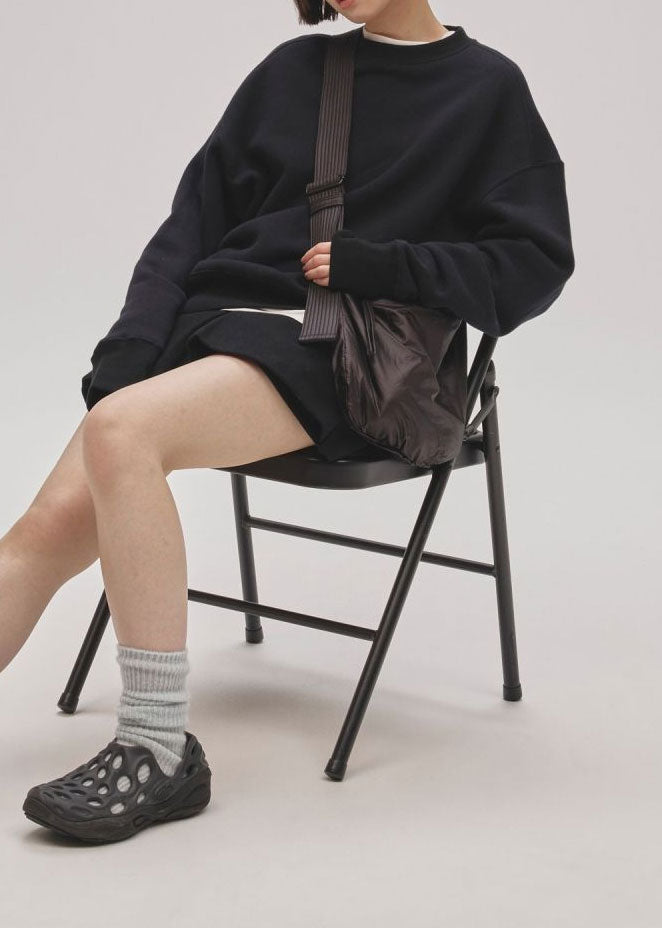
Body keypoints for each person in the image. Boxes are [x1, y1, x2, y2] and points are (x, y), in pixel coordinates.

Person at [2, 0, 574, 843]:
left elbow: (533, 265)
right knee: (50, 522)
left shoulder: (487, 92)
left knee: (121, 434)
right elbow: (188, 229)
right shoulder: (290, 74)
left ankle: (157, 749)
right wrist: (131, 348)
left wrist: (385, 265)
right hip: (211, 332)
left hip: (337, 354)